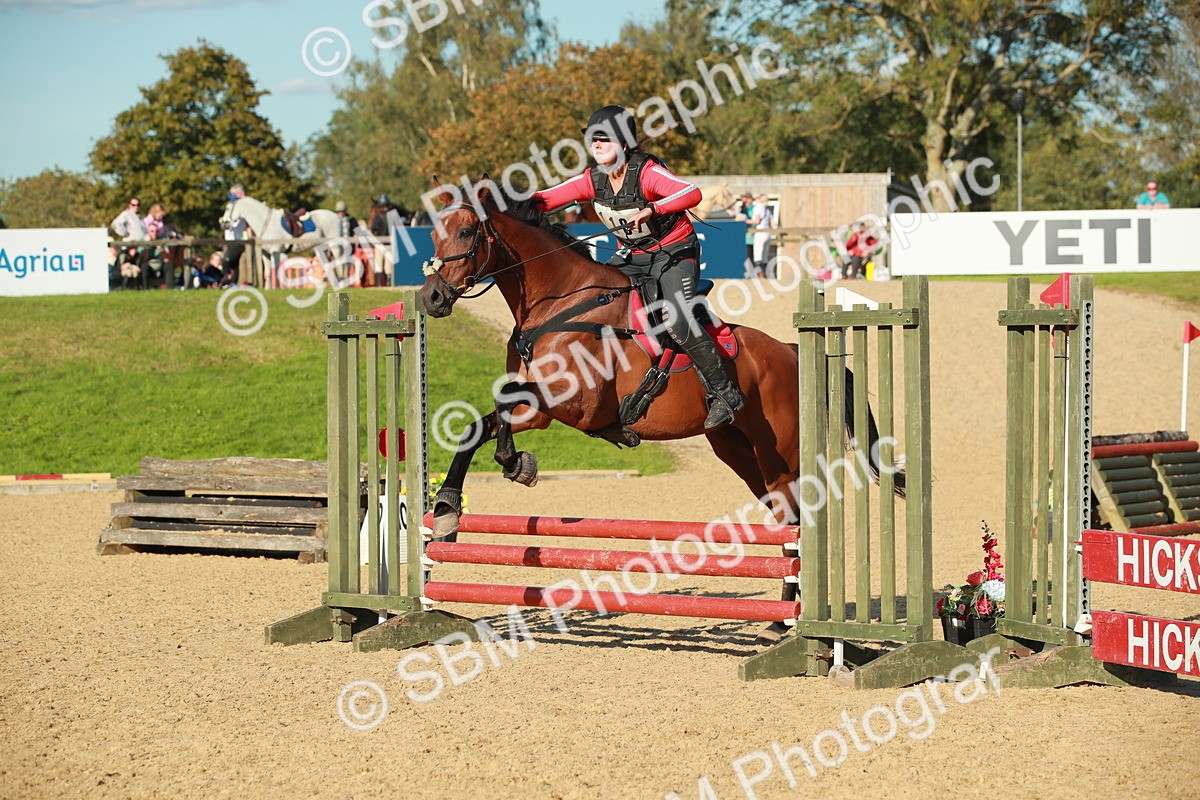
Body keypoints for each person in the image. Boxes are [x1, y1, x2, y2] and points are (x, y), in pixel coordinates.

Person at [531, 105, 744, 429]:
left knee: (678, 317)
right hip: (634, 256)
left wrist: (653, 209)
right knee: (597, 300)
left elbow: (692, 192)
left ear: (625, 143)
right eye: (592, 139)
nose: (597, 145)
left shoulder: (645, 172)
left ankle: (725, 392)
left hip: (674, 253)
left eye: (605, 139)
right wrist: (497, 203)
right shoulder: (593, 179)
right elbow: (544, 199)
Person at [110, 197, 150, 289]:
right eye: (133, 205)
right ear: (129, 205)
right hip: (129, 248)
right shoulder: (126, 214)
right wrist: (124, 233)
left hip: (140, 248)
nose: (136, 207)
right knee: (128, 268)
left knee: (140, 268)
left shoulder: (140, 217)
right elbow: (115, 224)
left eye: (138, 205)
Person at [221, 183, 249, 285]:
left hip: (239, 240)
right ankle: (232, 283)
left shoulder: (244, 206)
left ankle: (228, 280)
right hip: (229, 239)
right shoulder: (230, 205)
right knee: (234, 264)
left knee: (227, 260)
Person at [749, 194, 774, 275]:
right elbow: (773, 224)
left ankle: (760, 275)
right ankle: (766, 274)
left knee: (758, 255)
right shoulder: (768, 210)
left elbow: (757, 221)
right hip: (768, 232)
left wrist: (745, 220)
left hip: (760, 232)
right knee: (765, 257)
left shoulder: (758, 207)